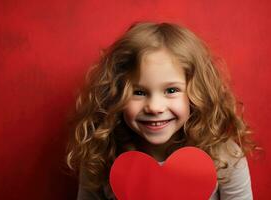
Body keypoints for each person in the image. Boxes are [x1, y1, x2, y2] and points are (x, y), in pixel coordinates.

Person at [66, 22, 256, 200]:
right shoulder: (101, 155)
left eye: (171, 90)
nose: (155, 107)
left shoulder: (225, 157)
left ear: (197, 93)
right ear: (116, 95)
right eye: (138, 92)